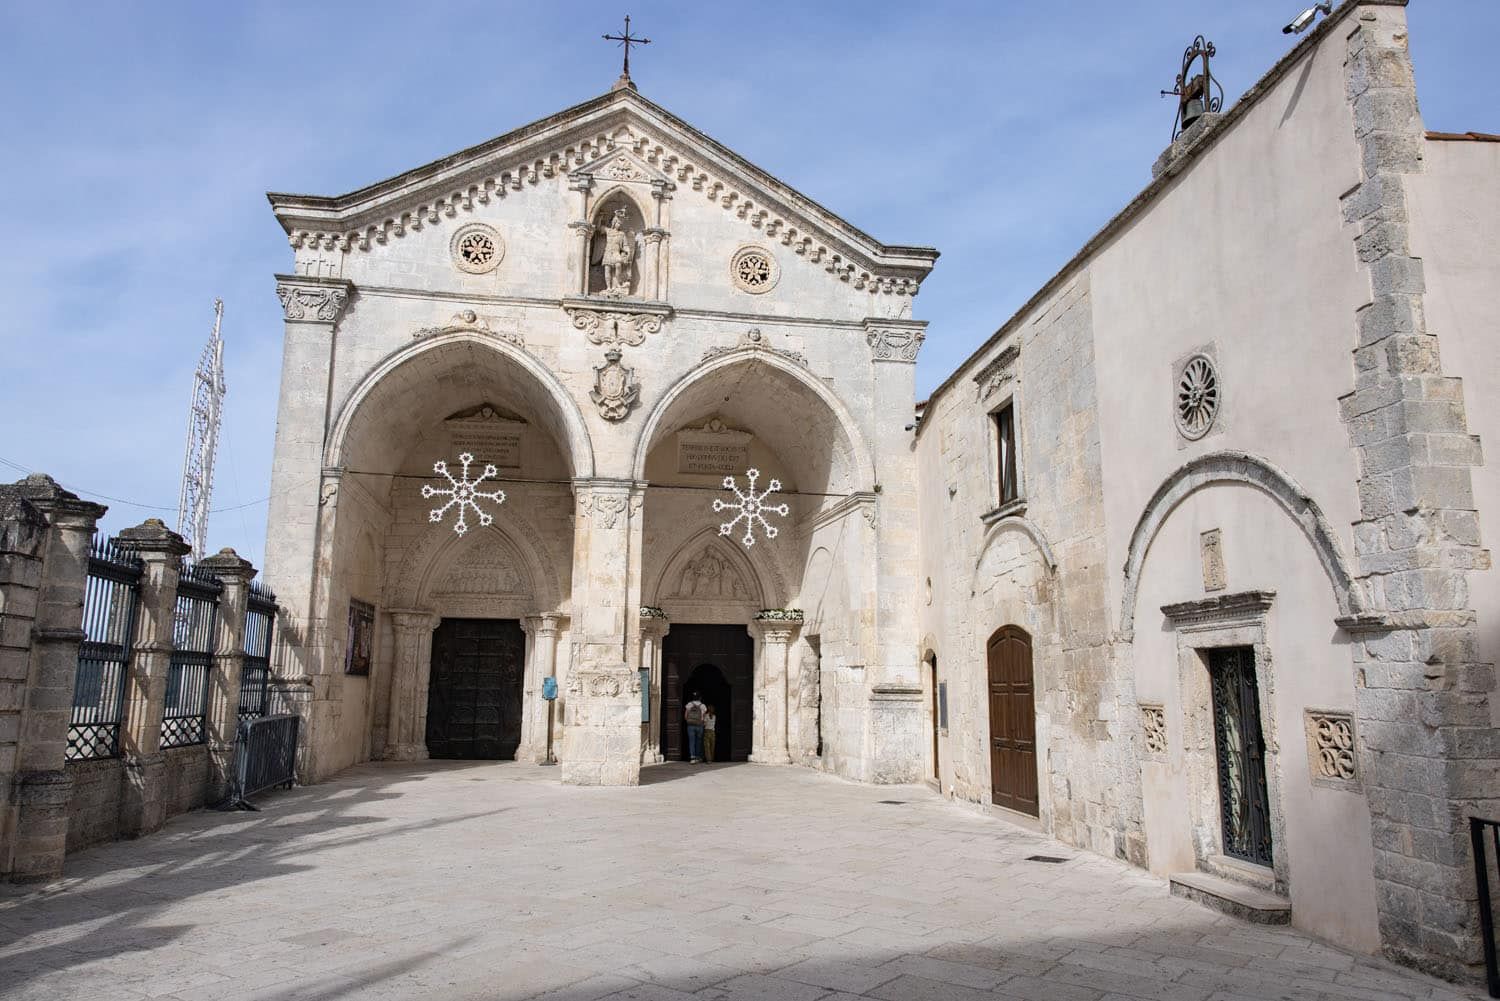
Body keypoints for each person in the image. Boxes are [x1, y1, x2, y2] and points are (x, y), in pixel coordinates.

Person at [683, 691, 707, 763]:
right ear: (700, 698)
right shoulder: (703, 706)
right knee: (699, 741)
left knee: (691, 741)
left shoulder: (689, 704)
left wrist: (689, 721)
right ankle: (698, 757)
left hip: (690, 725)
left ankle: (692, 758)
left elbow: (685, 716)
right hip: (700, 725)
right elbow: (704, 717)